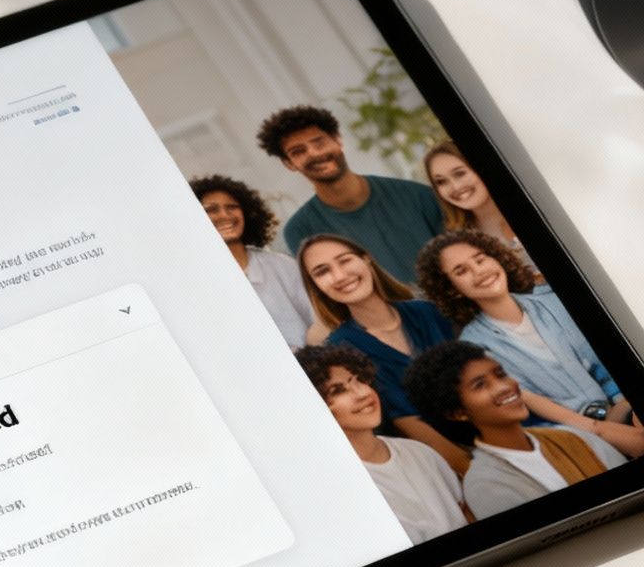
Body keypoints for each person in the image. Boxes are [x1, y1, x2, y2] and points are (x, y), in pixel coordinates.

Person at [417, 229, 630, 425]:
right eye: (461, 271)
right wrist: (606, 419)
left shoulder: (555, 300)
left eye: (480, 260)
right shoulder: (472, 349)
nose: (479, 272)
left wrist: (624, 404)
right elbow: (532, 406)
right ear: (451, 289)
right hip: (584, 432)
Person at [297, 233, 468, 472]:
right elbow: (405, 421)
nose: (339, 275)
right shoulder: (340, 352)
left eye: (345, 260)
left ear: (366, 259)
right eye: (322, 271)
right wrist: (471, 470)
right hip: (437, 463)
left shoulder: (428, 312)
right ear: (316, 287)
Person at [404, 341, 627, 519]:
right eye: (480, 385)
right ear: (457, 413)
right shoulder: (485, 484)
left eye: (500, 374)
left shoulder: (572, 437)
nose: (504, 386)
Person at [295, 343, 468, 544]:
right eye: (338, 390)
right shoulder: (336, 490)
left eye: (360, 380)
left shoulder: (419, 453)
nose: (362, 393)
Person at [260, 104, 445, 272]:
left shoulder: (418, 196)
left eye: (319, 142)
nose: (315, 154)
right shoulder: (300, 230)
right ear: (289, 164)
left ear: (338, 141)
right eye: (299, 151)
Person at [190, 174, 317, 345]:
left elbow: (319, 320)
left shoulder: (281, 265)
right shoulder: (194, 285)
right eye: (211, 210)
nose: (224, 215)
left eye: (232, 207)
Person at [422, 139, 540, 279]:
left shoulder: (533, 209)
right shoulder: (459, 242)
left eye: (460, 173)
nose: (455, 187)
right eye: (441, 182)